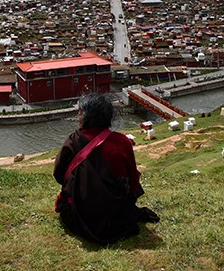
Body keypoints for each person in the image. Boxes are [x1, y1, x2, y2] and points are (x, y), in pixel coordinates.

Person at [54, 93, 159, 244]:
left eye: (80, 112)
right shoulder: (122, 141)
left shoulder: (73, 140)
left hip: (79, 215)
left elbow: (58, 174)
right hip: (115, 215)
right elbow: (133, 182)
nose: (78, 116)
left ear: (86, 116)